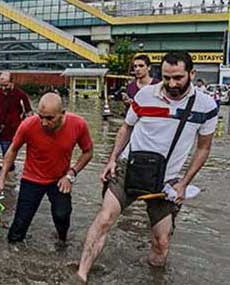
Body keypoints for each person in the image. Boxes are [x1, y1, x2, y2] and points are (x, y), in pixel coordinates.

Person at [76, 52, 218, 283]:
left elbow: (203, 148)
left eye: (178, 78)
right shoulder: (144, 96)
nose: (172, 84)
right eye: (166, 78)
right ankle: (81, 275)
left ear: (192, 74)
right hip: (129, 168)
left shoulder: (206, 106)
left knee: (161, 242)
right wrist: (112, 159)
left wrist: (183, 184)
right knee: (104, 219)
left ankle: (153, 278)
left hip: (166, 179)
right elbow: (126, 128)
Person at [0, 93, 94, 244]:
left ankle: (62, 242)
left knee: (62, 216)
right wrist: (1, 177)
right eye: (41, 117)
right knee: (18, 227)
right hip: (31, 179)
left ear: (62, 114)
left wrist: (71, 173)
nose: (44, 123)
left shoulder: (78, 124)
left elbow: (88, 152)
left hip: (60, 179)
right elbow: (12, 150)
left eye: (50, 118)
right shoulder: (29, 124)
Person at [0, 72, 33, 171]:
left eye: (5, 85)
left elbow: (29, 112)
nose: (3, 88)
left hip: (10, 133)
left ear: (12, 82)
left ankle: (10, 182)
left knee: (8, 160)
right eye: (1, 85)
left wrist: (27, 124)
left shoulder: (21, 95)